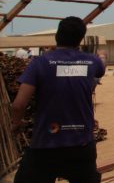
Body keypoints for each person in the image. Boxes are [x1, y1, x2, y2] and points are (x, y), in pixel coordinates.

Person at [11, 16, 105, 183]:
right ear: (80, 38)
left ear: (57, 35)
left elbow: (19, 105)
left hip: (46, 146)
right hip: (81, 147)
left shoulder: (39, 63)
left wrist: (16, 124)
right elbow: (100, 68)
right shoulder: (92, 62)